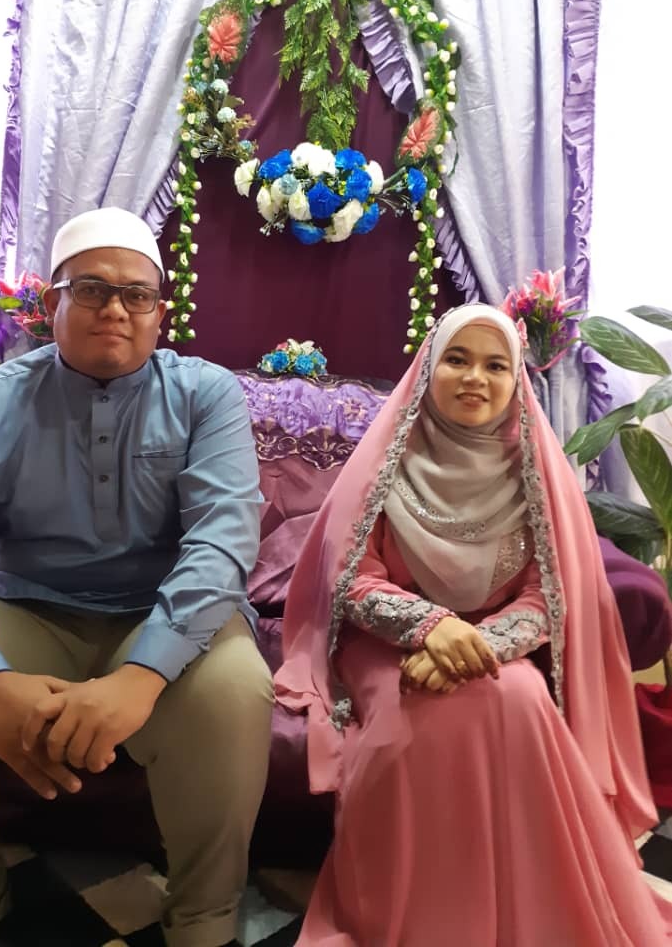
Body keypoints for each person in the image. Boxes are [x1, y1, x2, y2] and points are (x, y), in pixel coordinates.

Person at [0, 207, 273, 947]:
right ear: (51, 304)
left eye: (136, 294)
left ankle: (204, 918)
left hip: (161, 613)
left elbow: (221, 543)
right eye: (90, 289)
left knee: (234, 690)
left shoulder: (206, 395)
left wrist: (140, 678)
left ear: (159, 313)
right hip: (26, 608)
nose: (115, 308)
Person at [275, 303, 672, 946]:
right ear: (428, 367)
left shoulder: (535, 473)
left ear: (516, 381)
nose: (474, 379)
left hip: (491, 645)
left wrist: (477, 642)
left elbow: (549, 594)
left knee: (520, 700)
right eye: (457, 359)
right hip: (385, 645)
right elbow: (349, 579)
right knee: (403, 726)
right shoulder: (387, 461)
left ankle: (529, 908)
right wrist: (431, 626)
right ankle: (411, 919)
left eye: (495, 366)